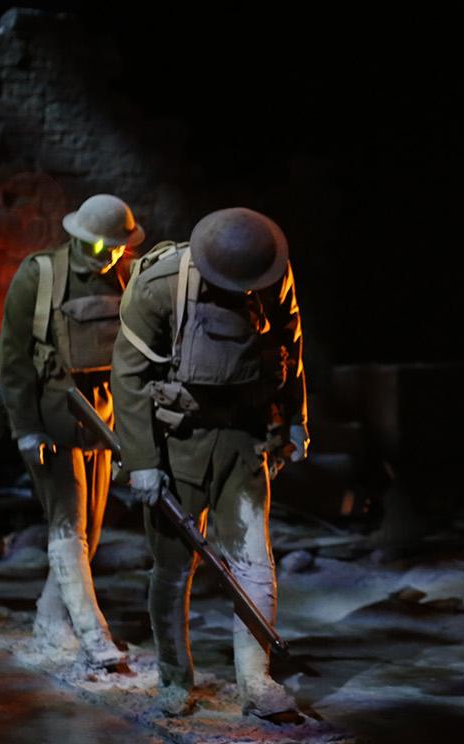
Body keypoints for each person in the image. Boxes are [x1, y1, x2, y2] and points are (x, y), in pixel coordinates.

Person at [111, 207, 308, 718]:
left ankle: (256, 680)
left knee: (254, 562)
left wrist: (294, 419)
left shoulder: (272, 276)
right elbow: (128, 376)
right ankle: (175, 680)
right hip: (180, 440)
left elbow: (290, 344)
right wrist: (143, 461)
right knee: (173, 568)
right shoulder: (159, 285)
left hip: (244, 436)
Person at [0, 194, 142, 669]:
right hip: (52, 418)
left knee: (91, 530)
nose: (112, 254)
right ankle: (93, 634)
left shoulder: (127, 277)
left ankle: (50, 620)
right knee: (68, 523)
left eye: (119, 247)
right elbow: (14, 362)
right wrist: (25, 430)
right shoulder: (39, 276)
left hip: (101, 421)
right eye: (104, 246)